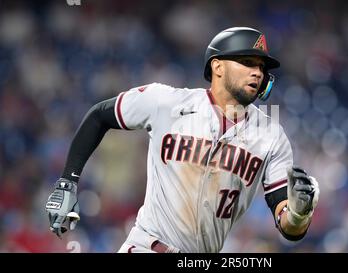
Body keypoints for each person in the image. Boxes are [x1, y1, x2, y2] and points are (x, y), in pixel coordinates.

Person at [45, 27, 320, 253]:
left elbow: (288, 227)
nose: (258, 72)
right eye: (247, 62)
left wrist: (298, 213)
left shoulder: (271, 135)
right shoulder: (166, 102)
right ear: (218, 66)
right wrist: (68, 181)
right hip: (148, 247)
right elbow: (99, 116)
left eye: (261, 66)